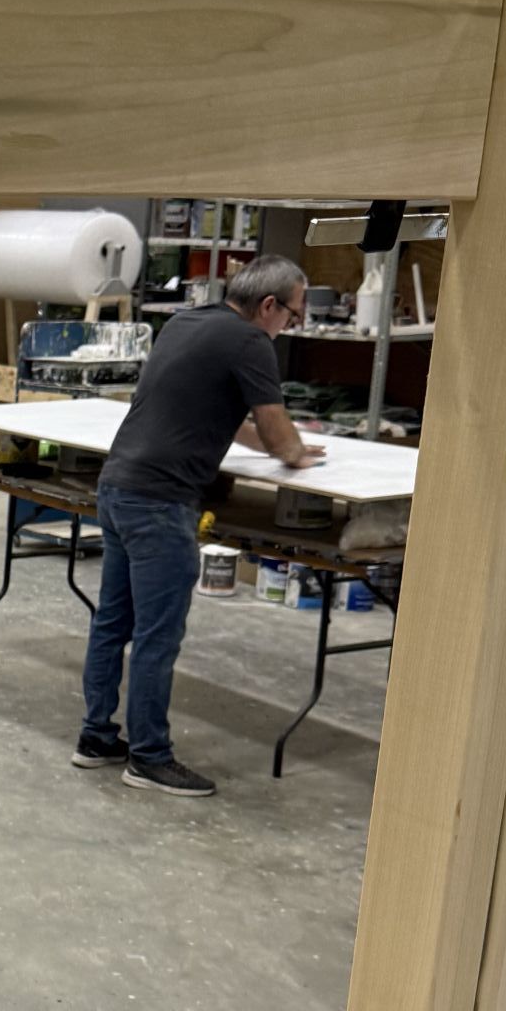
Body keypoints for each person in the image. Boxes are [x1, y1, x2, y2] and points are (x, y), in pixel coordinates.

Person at [76, 254, 325, 798]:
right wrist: (294, 452)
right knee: (157, 637)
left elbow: (220, 418)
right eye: (294, 314)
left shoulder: (187, 323)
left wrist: (283, 444)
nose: (293, 324)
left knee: (113, 623)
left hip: (117, 487)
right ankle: (149, 758)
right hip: (160, 504)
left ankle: (96, 737)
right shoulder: (251, 342)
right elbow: (274, 429)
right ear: (268, 305)